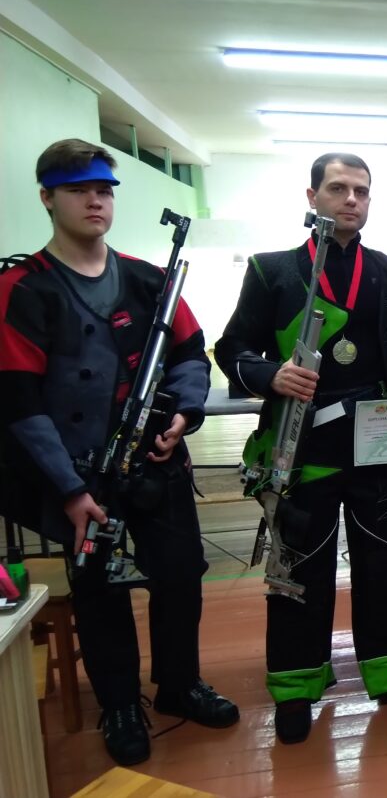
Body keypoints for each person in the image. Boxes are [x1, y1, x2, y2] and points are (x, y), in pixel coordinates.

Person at [0, 139, 238, 766]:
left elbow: (191, 354)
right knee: (99, 590)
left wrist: (184, 414)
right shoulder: (23, 289)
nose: (94, 201)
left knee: (180, 576)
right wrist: (69, 489)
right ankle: (120, 704)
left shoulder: (148, 278)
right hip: (82, 477)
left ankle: (180, 684)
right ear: (47, 198)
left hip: (157, 461)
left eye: (103, 190)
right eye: (78, 190)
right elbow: (18, 402)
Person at [215, 152, 387, 743]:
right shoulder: (272, 271)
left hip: (375, 440)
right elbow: (232, 350)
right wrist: (271, 375)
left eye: (361, 190)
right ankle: (295, 685)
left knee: (385, 561)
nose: (351, 199)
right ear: (312, 197)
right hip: (301, 444)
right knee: (298, 567)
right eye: (338, 188)